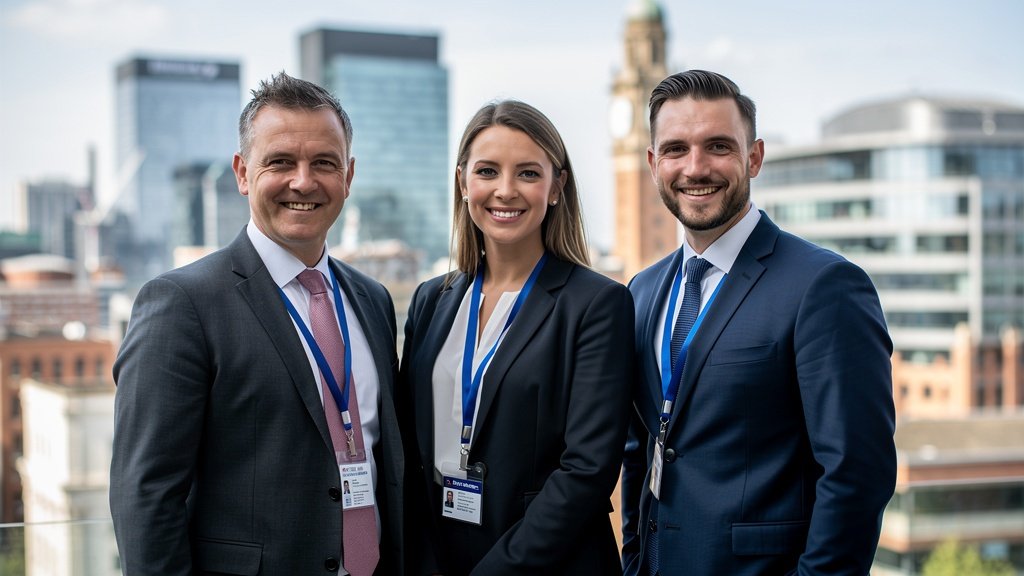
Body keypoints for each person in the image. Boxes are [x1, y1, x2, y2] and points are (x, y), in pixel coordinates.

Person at [109, 72, 405, 575]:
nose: (304, 182)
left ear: (349, 176)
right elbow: (146, 497)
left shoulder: (372, 299)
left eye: (324, 163)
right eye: (281, 162)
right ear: (243, 173)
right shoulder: (182, 304)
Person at [620, 70, 897, 575]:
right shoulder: (642, 290)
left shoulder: (824, 286)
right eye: (677, 149)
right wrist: (634, 559)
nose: (696, 167)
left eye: (718, 146)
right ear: (654, 163)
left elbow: (857, 473)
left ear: (754, 157)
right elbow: (641, 449)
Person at [399, 100, 634, 575]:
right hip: (439, 555)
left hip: (549, 563)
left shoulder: (597, 304)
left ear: (556, 186)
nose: (505, 190)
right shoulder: (431, 299)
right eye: (487, 171)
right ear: (463, 182)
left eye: (528, 173)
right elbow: (410, 449)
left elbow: (586, 471)